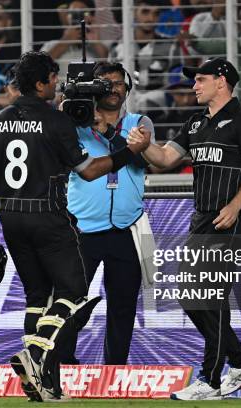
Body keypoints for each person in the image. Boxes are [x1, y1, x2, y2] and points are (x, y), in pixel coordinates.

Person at [0, 51, 149, 402]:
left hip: (11, 219)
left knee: (36, 297)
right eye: (54, 77)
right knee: (73, 291)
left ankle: (45, 383)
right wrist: (128, 153)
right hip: (48, 216)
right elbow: (89, 170)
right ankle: (37, 355)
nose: (58, 84)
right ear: (42, 82)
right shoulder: (55, 120)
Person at [128, 57, 241, 400]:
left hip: (228, 219)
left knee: (208, 294)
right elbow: (164, 159)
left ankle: (212, 379)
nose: (194, 85)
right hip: (202, 219)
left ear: (222, 81)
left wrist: (234, 206)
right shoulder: (194, 123)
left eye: (200, 79)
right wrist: (144, 147)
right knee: (191, 295)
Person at [64, 62, 155, 365]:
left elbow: (142, 162)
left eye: (118, 83)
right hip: (83, 228)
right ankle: (63, 362)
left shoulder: (140, 122)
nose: (113, 89)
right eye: (105, 83)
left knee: (123, 305)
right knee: (70, 301)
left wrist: (107, 132)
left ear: (127, 89)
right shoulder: (75, 123)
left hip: (126, 229)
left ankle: (114, 369)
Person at [41, 0, 109, 78]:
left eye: (83, 13)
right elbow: (40, 68)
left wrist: (95, 42)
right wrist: (66, 41)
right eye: (72, 13)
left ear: (91, 16)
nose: (78, 17)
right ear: (66, 17)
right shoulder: (51, 45)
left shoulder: (101, 46)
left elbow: (109, 70)